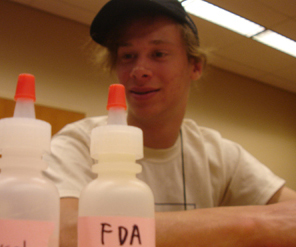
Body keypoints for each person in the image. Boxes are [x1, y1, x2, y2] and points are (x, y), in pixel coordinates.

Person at [43, 0, 296, 246]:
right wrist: (251, 225)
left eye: (158, 53)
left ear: (195, 66)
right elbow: (63, 233)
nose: (139, 70)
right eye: (128, 55)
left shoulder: (218, 155)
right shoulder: (78, 142)